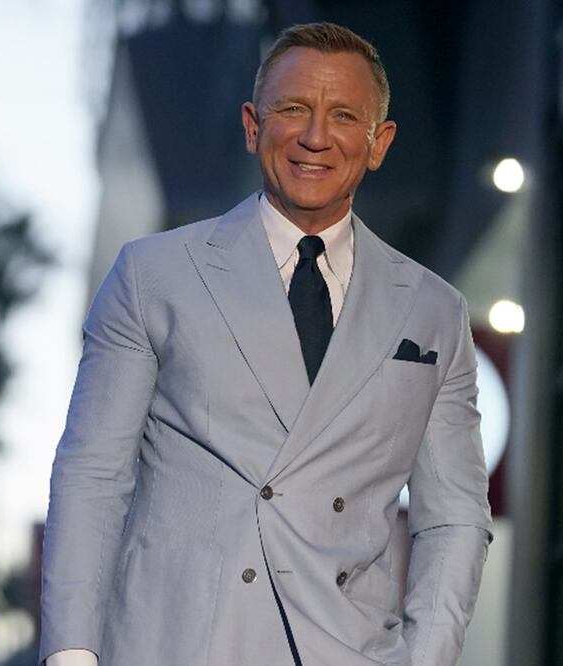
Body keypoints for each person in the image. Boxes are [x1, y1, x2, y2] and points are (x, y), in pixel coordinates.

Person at [39, 22, 492, 666]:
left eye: (343, 115)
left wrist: (427, 658)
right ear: (253, 125)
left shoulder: (433, 309)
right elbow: (93, 474)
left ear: (379, 142)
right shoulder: (153, 275)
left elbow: (453, 517)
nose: (315, 137)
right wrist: (72, 655)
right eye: (293, 109)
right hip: (177, 647)